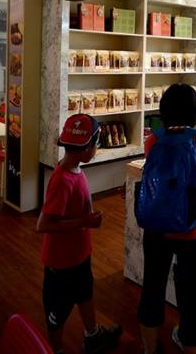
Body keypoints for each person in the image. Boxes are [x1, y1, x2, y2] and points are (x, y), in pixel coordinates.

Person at [137, 84, 196, 354]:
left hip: (156, 227)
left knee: (152, 289)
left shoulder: (153, 140)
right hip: (192, 230)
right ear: (195, 111)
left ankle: (149, 349)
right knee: (192, 300)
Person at [36, 114, 122, 354]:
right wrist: (84, 221)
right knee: (57, 311)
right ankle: (56, 349)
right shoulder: (62, 181)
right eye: (96, 144)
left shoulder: (75, 169)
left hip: (79, 255)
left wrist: (86, 220)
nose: (97, 148)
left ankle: (92, 335)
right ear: (86, 148)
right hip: (61, 263)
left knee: (85, 294)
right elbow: (43, 224)